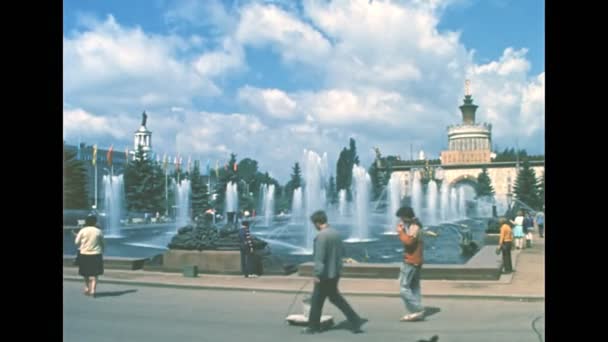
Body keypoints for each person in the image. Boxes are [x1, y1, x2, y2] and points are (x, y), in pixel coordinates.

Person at [302, 210, 365, 334]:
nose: (314, 226)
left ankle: (312, 327)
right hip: (335, 272)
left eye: (314, 224)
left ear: (318, 222)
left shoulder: (321, 236)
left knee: (316, 300)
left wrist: (317, 274)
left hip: (324, 274)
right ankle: (355, 320)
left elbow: (319, 258)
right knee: (335, 298)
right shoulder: (336, 233)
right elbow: (342, 253)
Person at [396, 206, 426, 322]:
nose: (401, 220)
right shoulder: (414, 224)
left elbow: (408, 242)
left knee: (404, 288)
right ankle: (415, 312)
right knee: (414, 287)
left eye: (402, 217)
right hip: (415, 260)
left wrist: (401, 231)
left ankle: (418, 309)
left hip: (412, 261)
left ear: (406, 216)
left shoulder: (415, 226)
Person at [74, 214, 105, 297]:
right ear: (95, 222)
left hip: (84, 254)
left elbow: (76, 242)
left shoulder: (83, 230)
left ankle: (87, 288)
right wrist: (103, 250)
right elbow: (103, 243)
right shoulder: (98, 231)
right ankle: (93, 290)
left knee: (85, 273)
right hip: (96, 254)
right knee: (95, 274)